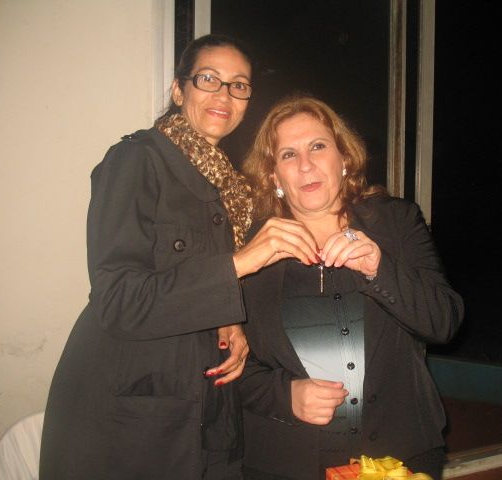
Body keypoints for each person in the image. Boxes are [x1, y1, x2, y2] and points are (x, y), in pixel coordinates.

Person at [39, 34, 317, 480]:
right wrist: (239, 263)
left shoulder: (231, 188)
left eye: (239, 85)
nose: (224, 94)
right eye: (208, 79)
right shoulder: (135, 160)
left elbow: (192, 287)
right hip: (129, 411)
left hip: (206, 404)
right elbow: (120, 300)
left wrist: (230, 321)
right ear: (178, 90)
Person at [238, 96, 464, 480]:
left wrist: (380, 268)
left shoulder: (396, 222)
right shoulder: (252, 247)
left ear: (344, 158)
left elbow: (444, 322)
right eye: (288, 154)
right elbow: (224, 359)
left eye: (318, 146)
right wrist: (283, 394)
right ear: (274, 178)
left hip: (400, 454)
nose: (305, 165)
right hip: (287, 461)